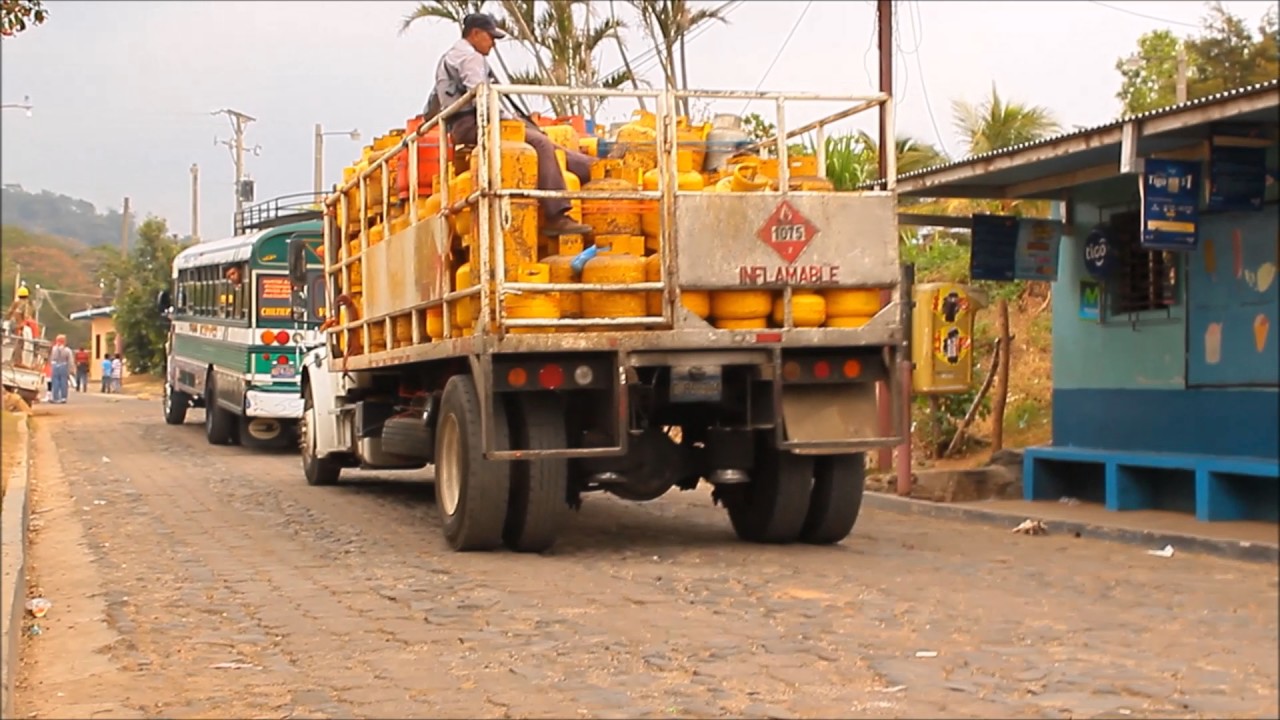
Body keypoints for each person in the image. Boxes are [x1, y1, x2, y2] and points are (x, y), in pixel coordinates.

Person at [429, 13, 594, 237]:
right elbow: (483, 97)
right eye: (491, 36)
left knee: (545, 143)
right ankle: (557, 216)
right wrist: (510, 121)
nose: (493, 43)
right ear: (475, 34)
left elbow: (432, 104)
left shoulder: (448, 58)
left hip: (461, 127)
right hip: (475, 125)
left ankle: (589, 166)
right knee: (542, 144)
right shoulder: (471, 58)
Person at [5, 286, 34, 365]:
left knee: (13, 342)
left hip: (11, 324)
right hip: (18, 325)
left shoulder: (16, 302)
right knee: (19, 343)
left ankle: (13, 359)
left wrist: (7, 320)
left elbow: (9, 313)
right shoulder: (25, 304)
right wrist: (21, 324)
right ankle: (17, 361)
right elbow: (21, 314)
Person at [49, 334, 73, 404]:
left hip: (55, 365)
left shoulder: (53, 349)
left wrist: (51, 365)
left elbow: (50, 358)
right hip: (63, 365)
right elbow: (70, 360)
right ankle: (63, 397)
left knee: (55, 382)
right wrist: (71, 369)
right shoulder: (67, 350)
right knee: (64, 382)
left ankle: (55, 397)